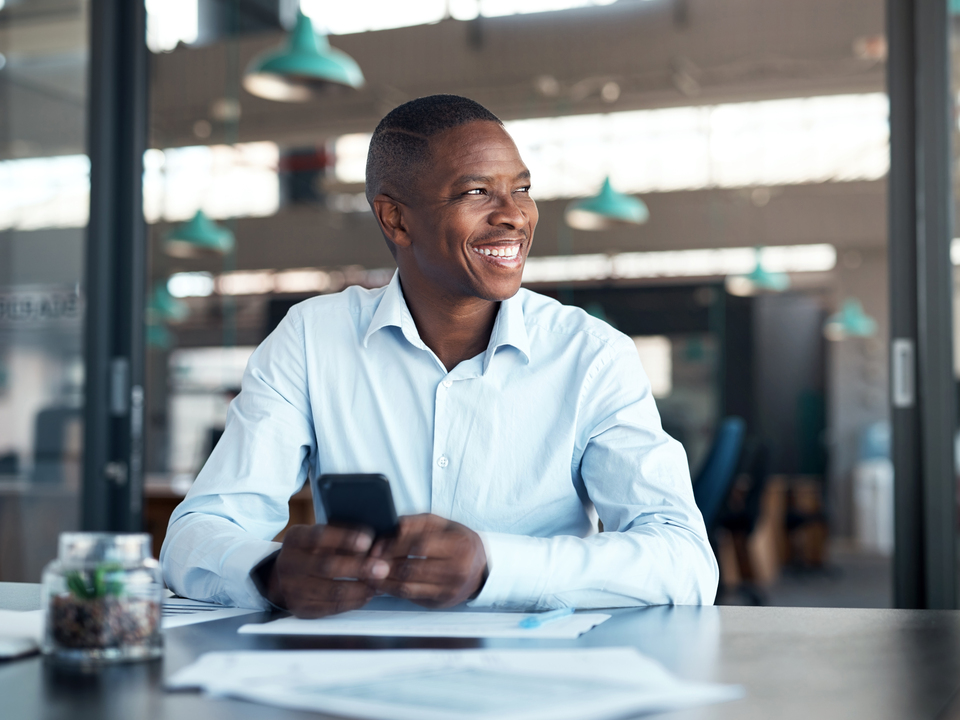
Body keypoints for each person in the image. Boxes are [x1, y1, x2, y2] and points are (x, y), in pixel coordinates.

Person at [160, 95, 718, 617]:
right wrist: (269, 573)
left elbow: (686, 563)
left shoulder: (592, 355)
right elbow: (196, 534)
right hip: (357, 677)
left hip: (534, 679)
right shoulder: (312, 340)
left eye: (521, 189)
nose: (514, 215)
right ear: (396, 219)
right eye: (477, 192)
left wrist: (494, 567)